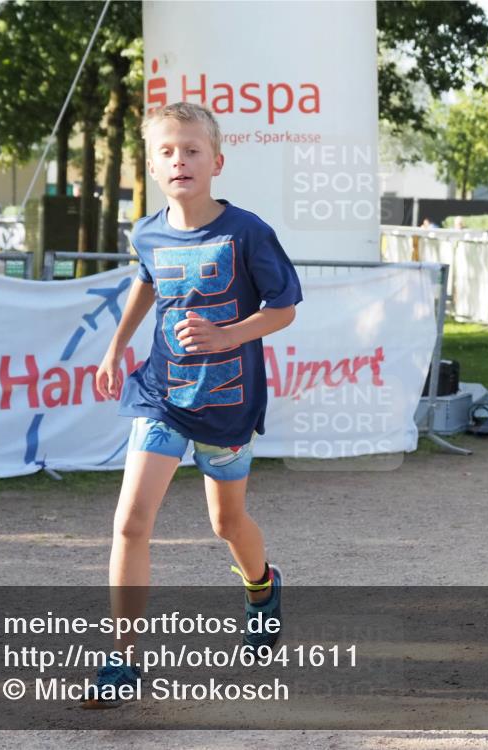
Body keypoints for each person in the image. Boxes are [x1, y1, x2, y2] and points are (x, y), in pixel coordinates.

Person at [84, 102, 302, 708]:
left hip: (228, 404)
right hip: (162, 396)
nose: (180, 160)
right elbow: (147, 280)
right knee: (130, 521)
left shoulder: (248, 232)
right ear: (153, 166)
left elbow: (284, 308)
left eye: (192, 150)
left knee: (226, 523)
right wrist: (115, 347)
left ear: (216, 161)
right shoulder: (147, 232)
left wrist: (230, 334)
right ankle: (122, 658)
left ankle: (263, 588)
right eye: (167, 151)